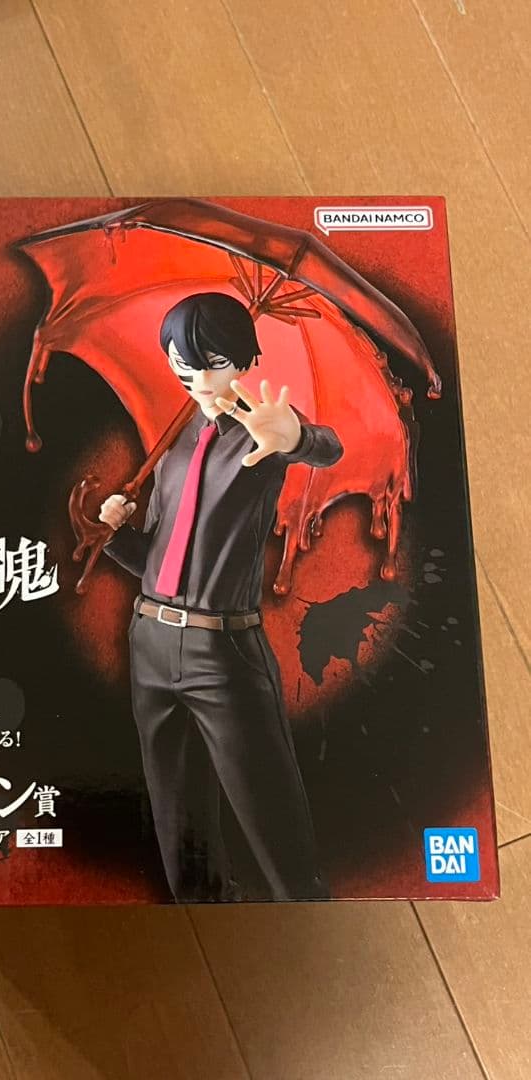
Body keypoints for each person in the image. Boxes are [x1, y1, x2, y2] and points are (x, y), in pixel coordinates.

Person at [100, 292, 343, 902]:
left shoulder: (259, 433)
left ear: (244, 359)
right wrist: (112, 537)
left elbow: (325, 446)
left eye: (211, 363)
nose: (198, 379)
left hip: (223, 652)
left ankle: (308, 923)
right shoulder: (175, 446)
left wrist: (295, 436)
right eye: (183, 365)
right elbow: (161, 562)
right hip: (150, 643)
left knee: (274, 828)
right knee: (182, 836)